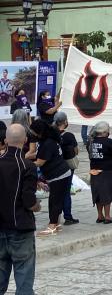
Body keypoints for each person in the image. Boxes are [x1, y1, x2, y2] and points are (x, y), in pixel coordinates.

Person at [0, 124, 40, 295]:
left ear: (5, 140)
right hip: (20, 227)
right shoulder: (27, 166)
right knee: (24, 275)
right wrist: (37, 206)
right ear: (25, 141)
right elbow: (28, 201)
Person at [31, 119, 71, 236]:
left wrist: (24, 163)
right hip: (61, 174)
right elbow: (39, 154)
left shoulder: (47, 143)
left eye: (34, 132)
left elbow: (39, 162)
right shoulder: (50, 140)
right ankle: (56, 224)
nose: (32, 134)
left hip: (58, 175)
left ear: (40, 132)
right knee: (56, 199)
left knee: (54, 201)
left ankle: (52, 226)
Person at [87, 121, 112, 223]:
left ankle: (100, 215)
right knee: (107, 193)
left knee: (98, 193)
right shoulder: (108, 141)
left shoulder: (91, 142)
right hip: (107, 170)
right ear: (104, 131)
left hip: (94, 169)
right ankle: (107, 216)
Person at [53, 112, 79, 225]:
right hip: (67, 166)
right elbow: (76, 151)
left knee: (56, 192)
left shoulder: (52, 134)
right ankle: (68, 217)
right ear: (65, 122)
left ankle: (55, 217)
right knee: (66, 192)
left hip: (54, 166)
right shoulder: (69, 135)